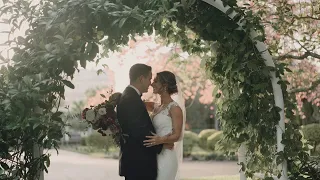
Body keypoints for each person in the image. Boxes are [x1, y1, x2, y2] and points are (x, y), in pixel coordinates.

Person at [117, 64, 174, 180]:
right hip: (139, 164)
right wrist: (163, 144)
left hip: (137, 163)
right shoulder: (131, 99)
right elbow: (140, 132)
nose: (150, 83)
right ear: (141, 78)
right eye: (149, 79)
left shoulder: (130, 96)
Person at [143, 70, 185, 180]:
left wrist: (160, 140)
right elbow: (136, 102)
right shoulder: (156, 107)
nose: (152, 84)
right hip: (154, 155)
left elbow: (178, 135)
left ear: (165, 86)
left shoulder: (175, 108)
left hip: (166, 157)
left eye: (156, 81)